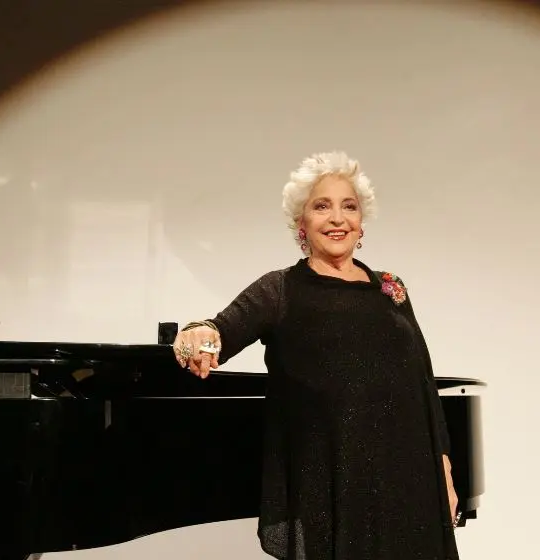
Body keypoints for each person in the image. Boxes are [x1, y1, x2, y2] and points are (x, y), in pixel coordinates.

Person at [172, 151, 460, 560]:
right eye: (322, 206)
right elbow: (214, 331)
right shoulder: (280, 290)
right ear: (301, 223)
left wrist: (444, 471)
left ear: (362, 223)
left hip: (409, 477)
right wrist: (193, 338)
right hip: (333, 483)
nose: (337, 218)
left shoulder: (391, 290)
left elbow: (424, 385)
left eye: (349, 206)